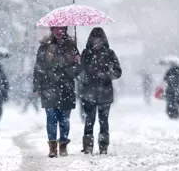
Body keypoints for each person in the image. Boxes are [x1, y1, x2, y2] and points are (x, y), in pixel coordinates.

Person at [33, 26, 80, 158]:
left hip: (66, 88)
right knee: (51, 118)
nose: (59, 32)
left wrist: (77, 62)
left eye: (62, 29)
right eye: (56, 29)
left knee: (64, 120)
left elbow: (77, 71)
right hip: (49, 88)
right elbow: (39, 68)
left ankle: (63, 144)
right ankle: (53, 147)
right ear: (52, 30)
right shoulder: (44, 47)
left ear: (65, 30)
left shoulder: (72, 47)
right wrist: (37, 86)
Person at [79, 27, 122, 155]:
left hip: (105, 94)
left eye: (99, 40)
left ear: (103, 41)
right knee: (89, 121)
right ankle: (88, 147)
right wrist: (78, 62)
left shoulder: (110, 54)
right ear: (91, 41)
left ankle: (103, 146)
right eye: (95, 40)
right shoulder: (86, 54)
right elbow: (79, 72)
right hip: (89, 93)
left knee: (103, 122)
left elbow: (118, 72)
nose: (97, 43)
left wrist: (107, 74)